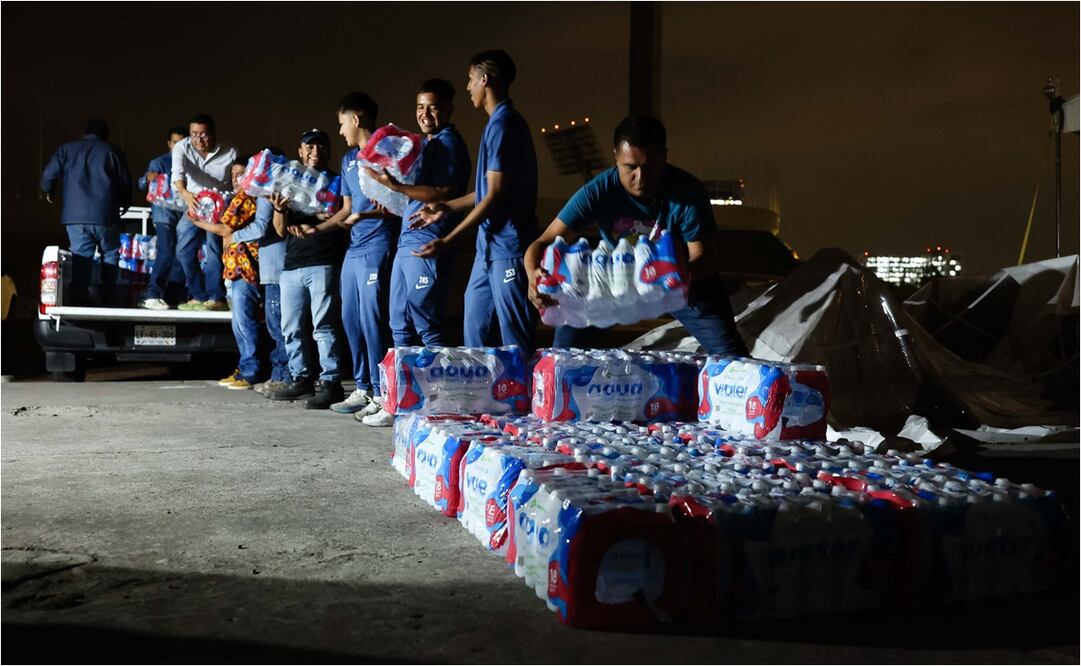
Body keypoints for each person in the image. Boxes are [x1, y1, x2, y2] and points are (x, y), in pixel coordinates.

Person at [524, 115, 749, 357]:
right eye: (630, 167)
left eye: (649, 167)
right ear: (616, 158)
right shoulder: (599, 190)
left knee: (732, 357)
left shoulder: (687, 192)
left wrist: (678, 276)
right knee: (562, 353)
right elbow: (543, 242)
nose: (640, 178)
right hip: (614, 280)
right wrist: (532, 277)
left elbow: (704, 257)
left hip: (677, 282)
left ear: (664, 156)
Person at [411, 50, 539, 356]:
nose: (468, 87)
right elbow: (488, 190)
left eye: (470, 80)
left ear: (485, 79)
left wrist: (448, 239)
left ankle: (522, 401)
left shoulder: (504, 125)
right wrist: (448, 206)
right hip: (488, 246)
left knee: (514, 337)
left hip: (510, 246)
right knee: (475, 328)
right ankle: (484, 398)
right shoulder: (496, 123)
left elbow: (494, 196)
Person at [359, 79, 471, 427]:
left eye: (433, 107)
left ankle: (440, 403)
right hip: (407, 240)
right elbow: (416, 195)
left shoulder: (450, 143)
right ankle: (402, 403)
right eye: (420, 106)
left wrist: (398, 186)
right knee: (399, 324)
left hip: (428, 242)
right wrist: (392, 197)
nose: (425, 113)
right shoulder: (425, 145)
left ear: (450, 108)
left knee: (427, 324)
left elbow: (442, 191)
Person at [296, 93, 397, 420]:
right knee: (351, 320)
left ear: (356, 119)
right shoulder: (347, 160)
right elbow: (348, 209)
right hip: (353, 250)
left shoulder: (386, 151)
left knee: (373, 321)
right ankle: (364, 387)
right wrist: (319, 229)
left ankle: (385, 394)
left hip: (377, 245)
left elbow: (397, 206)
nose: (340, 132)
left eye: (341, 124)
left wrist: (369, 218)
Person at [265, 129, 346, 409]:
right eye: (308, 147)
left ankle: (331, 382)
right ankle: (301, 379)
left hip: (324, 261)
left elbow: (345, 217)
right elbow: (279, 230)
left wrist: (326, 217)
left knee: (323, 326)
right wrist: (279, 209)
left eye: (321, 146)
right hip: (292, 265)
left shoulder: (337, 182)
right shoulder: (290, 182)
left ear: (329, 151)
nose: (314, 152)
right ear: (300, 152)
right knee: (291, 328)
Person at [191, 157, 267, 390]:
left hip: (246, 269)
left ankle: (252, 370)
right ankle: (244, 366)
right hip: (232, 268)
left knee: (245, 322)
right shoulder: (235, 198)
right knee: (238, 323)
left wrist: (198, 223)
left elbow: (226, 229)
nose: (236, 178)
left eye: (241, 173)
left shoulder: (251, 197)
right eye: (233, 174)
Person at [40, 118, 132, 304]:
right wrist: (124, 202)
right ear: (106, 135)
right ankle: (109, 298)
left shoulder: (66, 149)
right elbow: (124, 182)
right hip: (107, 215)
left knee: (81, 257)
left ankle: (81, 298)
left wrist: (48, 190)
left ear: (85, 132)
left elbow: (49, 175)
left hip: (76, 216)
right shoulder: (112, 151)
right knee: (111, 254)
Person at [172, 113, 236, 311]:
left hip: (219, 207)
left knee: (214, 252)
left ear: (213, 134)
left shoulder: (230, 152)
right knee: (183, 251)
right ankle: (198, 295)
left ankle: (216, 297)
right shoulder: (182, 147)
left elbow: (234, 182)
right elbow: (177, 174)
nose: (199, 139)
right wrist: (185, 193)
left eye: (204, 134)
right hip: (194, 203)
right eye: (194, 134)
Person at [138, 126, 189, 310]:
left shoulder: (191, 163)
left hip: (185, 214)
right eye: (175, 142)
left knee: (182, 254)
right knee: (166, 251)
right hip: (164, 214)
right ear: (169, 143)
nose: (178, 146)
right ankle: (151, 294)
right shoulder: (159, 162)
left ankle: (171, 294)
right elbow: (142, 183)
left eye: (182, 143)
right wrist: (148, 178)